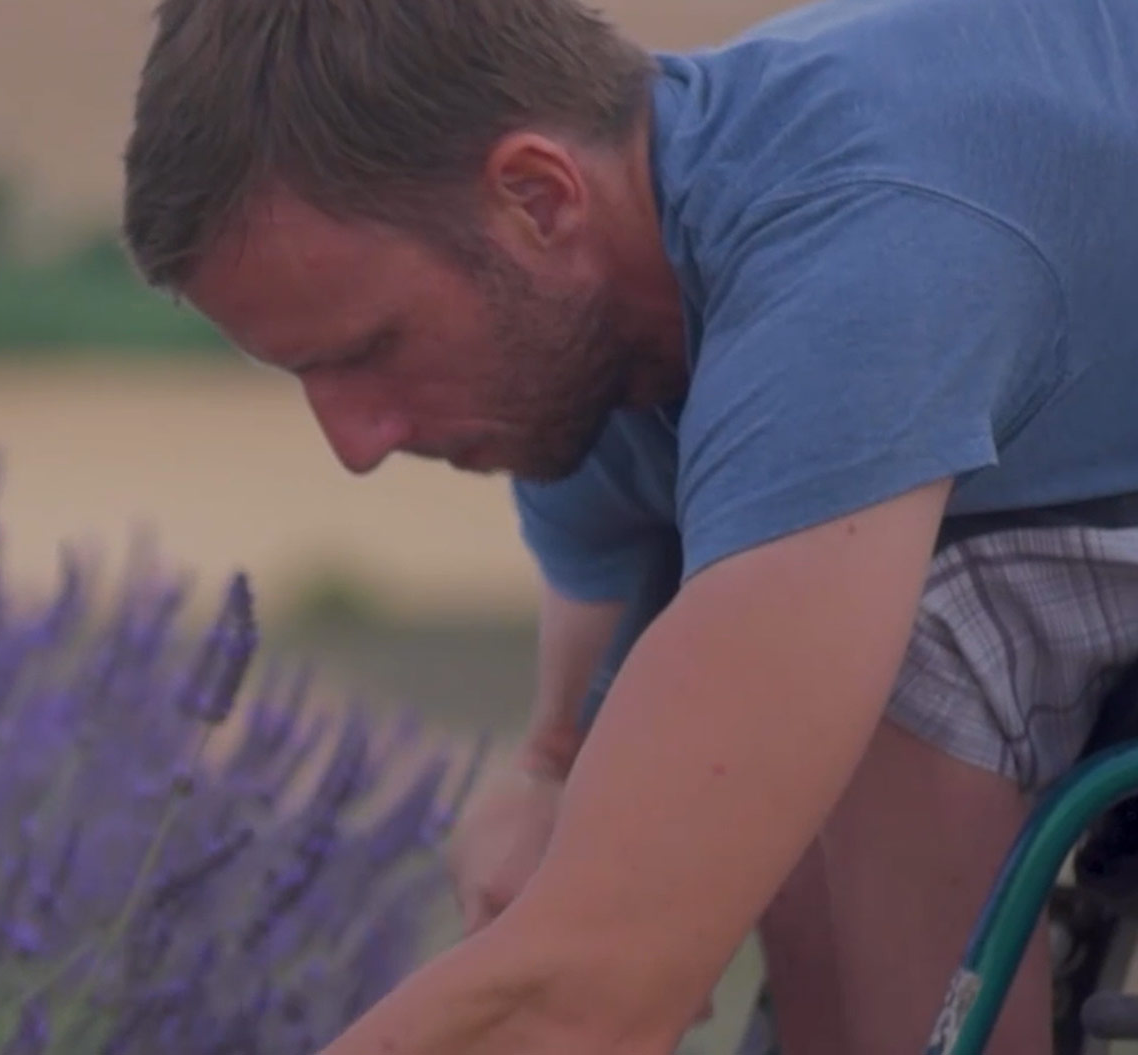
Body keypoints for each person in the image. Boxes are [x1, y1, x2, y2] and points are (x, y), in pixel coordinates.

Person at [117, 0, 1138, 1051]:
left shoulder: (850, 254)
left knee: (881, 675)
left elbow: (591, 988)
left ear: (537, 194)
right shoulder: (583, 345)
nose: (353, 444)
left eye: (371, 349)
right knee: (757, 790)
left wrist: (607, 925)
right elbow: (596, 739)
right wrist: (545, 777)